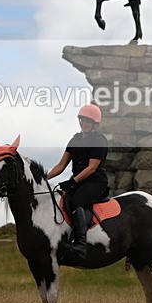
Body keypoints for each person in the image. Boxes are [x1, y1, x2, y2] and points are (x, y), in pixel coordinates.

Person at [46, 104, 109, 258]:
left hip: (95, 181)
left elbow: (92, 168)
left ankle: (80, 245)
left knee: (76, 202)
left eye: (88, 121)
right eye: (82, 120)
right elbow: (61, 166)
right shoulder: (75, 140)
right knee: (64, 200)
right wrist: (42, 178)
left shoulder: (99, 140)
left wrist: (72, 181)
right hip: (79, 181)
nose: (84, 123)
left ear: (95, 123)